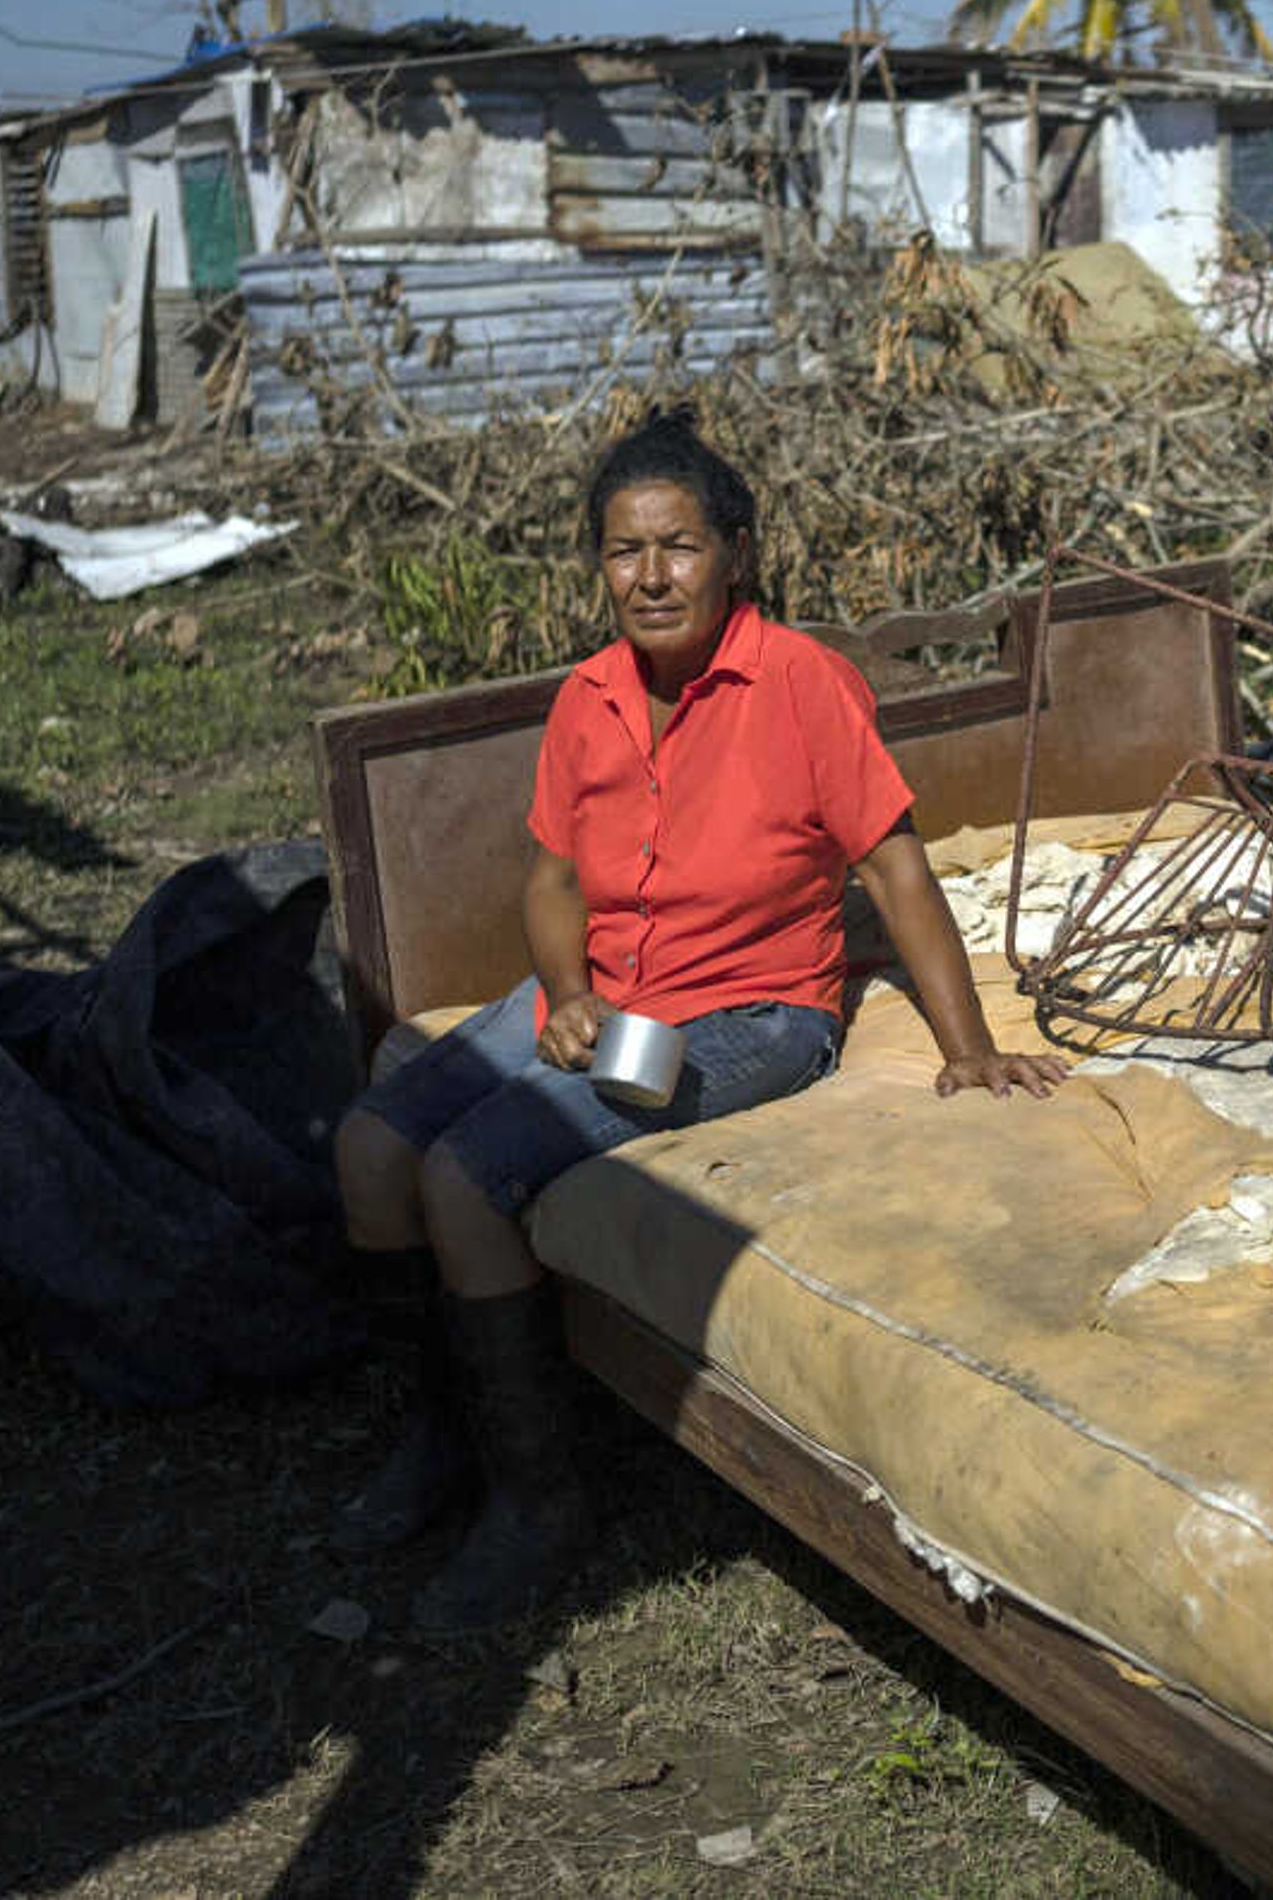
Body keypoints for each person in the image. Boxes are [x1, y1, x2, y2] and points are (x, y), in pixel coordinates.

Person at [329, 409, 1068, 1631]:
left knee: (469, 1176)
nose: (652, 574)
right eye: (624, 550)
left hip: (752, 1012)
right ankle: (437, 1431)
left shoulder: (802, 686)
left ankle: (540, 1501)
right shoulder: (589, 699)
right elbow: (552, 879)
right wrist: (564, 993)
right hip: (606, 990)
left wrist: (969, 1045)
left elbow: (894, 870)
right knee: (369, 1145)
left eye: (678, 545)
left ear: (735, 554)